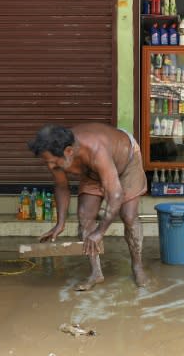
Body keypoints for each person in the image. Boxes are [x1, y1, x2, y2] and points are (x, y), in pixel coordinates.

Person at [27, 123, 148, 290]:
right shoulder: (56, 155)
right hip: (92, 170)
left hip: (126, 162)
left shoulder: (96, 149)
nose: (50, 167)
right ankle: (96, 273)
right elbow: (62, 186)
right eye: (48, 162)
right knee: (84, 216)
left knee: (128, 216)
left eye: (53, 162)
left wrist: (100, 232)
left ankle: (137, 265)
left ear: (69, 152)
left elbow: (116, 195)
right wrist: (60, 223)